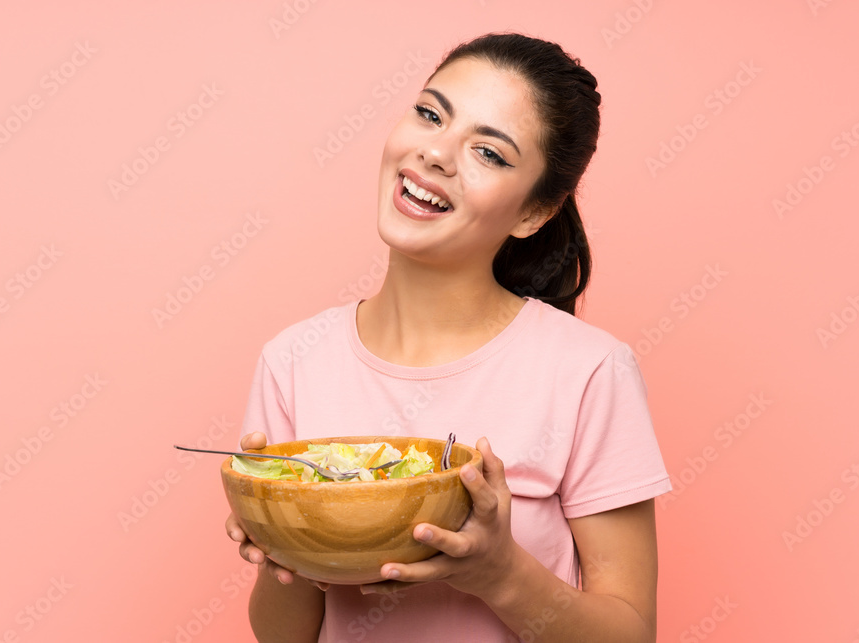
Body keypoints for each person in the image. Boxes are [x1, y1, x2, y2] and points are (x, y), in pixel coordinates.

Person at [225, 31, 672, 642]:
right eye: (430, 114)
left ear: (532, 214)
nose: (436, 154)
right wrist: (290, 545)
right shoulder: (293, 361)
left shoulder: (590, 371)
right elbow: (285, 637)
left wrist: (499, 573)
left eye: (489, 153)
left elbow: (632, 635)